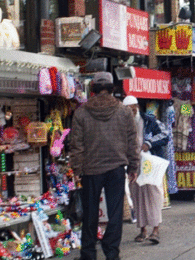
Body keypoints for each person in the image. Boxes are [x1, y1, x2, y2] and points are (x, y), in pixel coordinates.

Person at [67, 72, 139, 260]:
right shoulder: (124, 111)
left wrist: (76, 169)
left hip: (90, 169)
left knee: (90, 213)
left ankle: (89, 254)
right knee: (115, 213)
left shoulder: (81, 112)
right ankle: (112, 253)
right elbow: (132, 140)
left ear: (93, 90)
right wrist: (133, 166)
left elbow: (77, 144)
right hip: (116, 168)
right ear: (112, 88)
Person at [124, 96, 170, 245]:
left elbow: (165, 134)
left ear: (137, 106)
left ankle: (155, 230)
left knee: (153, 195)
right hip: (133, 164)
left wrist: (149, 143)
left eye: (133, 108)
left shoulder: (149, 120)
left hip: (150, 164)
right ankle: (143, 230)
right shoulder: (122, 124)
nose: (132, 111)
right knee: (137, 196)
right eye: (129, 110)